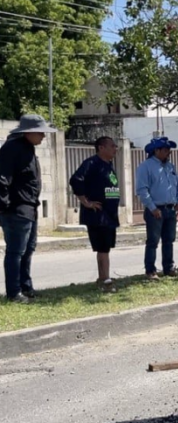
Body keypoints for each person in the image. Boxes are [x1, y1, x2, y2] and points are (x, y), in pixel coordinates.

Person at [0, 115, 57, 304]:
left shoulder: (28, 148)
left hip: (30, 208)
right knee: (16, 251)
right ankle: (14, 292)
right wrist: (5, 205)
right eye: (41, 132)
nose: (44, 136)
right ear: (29, 132)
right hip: (17, 209)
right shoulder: (12, 148)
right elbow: (2, 179)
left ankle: (26, 287)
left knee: (28, 249)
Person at [69, 137, 121, 293]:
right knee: (103, 248)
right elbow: (75, 180)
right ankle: (105, 280)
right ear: (101, 148)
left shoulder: (109, 165)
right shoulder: (91, 163)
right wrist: (86, 202)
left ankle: (102, 277)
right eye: (112, 146)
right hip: (98, 214)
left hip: (110, 214)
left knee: (105, 248)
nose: (115, 149)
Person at [136, 137, 178, 280]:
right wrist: (152, 208)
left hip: (170, 209)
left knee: (169, 240)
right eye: (165, 150)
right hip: (155, 210)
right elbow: (142, 190)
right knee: (153, 241)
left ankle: (169, 268)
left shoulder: (170, 166)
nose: (169, 153)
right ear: (156, 151)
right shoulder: (145, 167)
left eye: (169, 150)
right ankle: (150, 270)